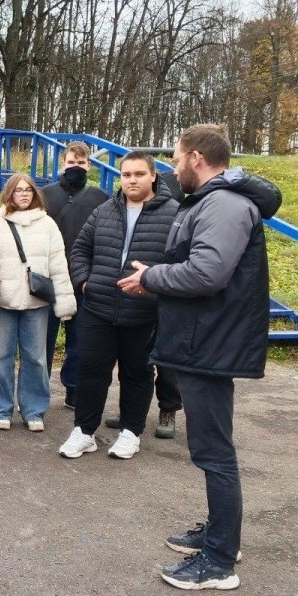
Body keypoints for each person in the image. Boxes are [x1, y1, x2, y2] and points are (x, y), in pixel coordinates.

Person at [118, 124, 281, 590]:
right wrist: (157, 276)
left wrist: (152, 278)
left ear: (196, 157)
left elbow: (207, 273)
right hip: (202, 340)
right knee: (210, 449)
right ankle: (219, 534)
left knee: (214, 452)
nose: (172, 167)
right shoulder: (212, 201)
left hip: (210, 342)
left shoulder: (224, 204)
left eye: (176, 158)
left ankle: (219, 561)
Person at [58, 152, 178, 460]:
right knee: (90, 371)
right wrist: (85, 282)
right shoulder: (105, 210)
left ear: (153, 176)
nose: (132, 180)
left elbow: (181, 263)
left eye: (139, 174)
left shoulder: (174, 214)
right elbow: (80, 249)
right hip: (98, 307)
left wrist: (155, 287)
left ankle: (131, 432)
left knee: (137, 373)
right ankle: (84, 432)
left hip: (143, 311)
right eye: (126, 175)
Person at [0, 174, 76, 431]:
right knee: (1, 357)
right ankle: (2, 408)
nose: (23, 194)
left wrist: (64, 301)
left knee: (36, 358)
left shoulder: (47, 224)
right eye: (18, 190)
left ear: (35, 194)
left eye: (28, 190)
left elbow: (58, 265)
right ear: (9, 193)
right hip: (3, 302)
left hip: (37, 303)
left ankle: (34, 410)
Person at [42, 142, 109, 409]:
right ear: (63, 164)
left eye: (81, 163)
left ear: (89, 166)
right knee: (42, 342)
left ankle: (73, 389)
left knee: (79, 342)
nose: (76, 167)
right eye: (71, 163)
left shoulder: (101, 197)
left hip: (83, 280)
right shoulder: (45, 194)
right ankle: (37, 392)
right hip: (47, 280)